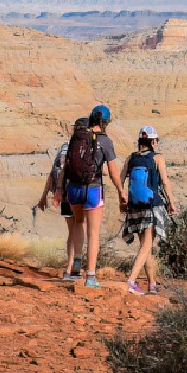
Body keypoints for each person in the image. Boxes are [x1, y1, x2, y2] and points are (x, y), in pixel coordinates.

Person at [61, 104, 124, 289]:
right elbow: (112, 171)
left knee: (78, 224)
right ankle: (91, 276)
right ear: (106, 122)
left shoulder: (77, 137)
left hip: (73, 188)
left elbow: (66, 166)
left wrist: (60, 188)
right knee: (94, 233)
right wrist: (121, 191)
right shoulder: (105, 141)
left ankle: (76, 265)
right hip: (93, 189)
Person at [122, 126, 176, 295]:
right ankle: (131, 281)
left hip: (134, 206)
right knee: (147, 245)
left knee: (146, 246)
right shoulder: (157, 158)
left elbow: (121, 179)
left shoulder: (131, 158)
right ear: (153, 142)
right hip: (151, 206)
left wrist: (122, 200)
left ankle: (152, 284)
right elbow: (165, 182)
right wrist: (172, 203)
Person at [37, 117, 89, 280]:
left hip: (65, 195)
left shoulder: (65, 148)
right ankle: (78, 269)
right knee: (82, 228)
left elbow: (54, 173)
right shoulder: (88, 147)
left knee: (71, 231)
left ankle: (69, 268)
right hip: (81, 193)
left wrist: (45, 195)